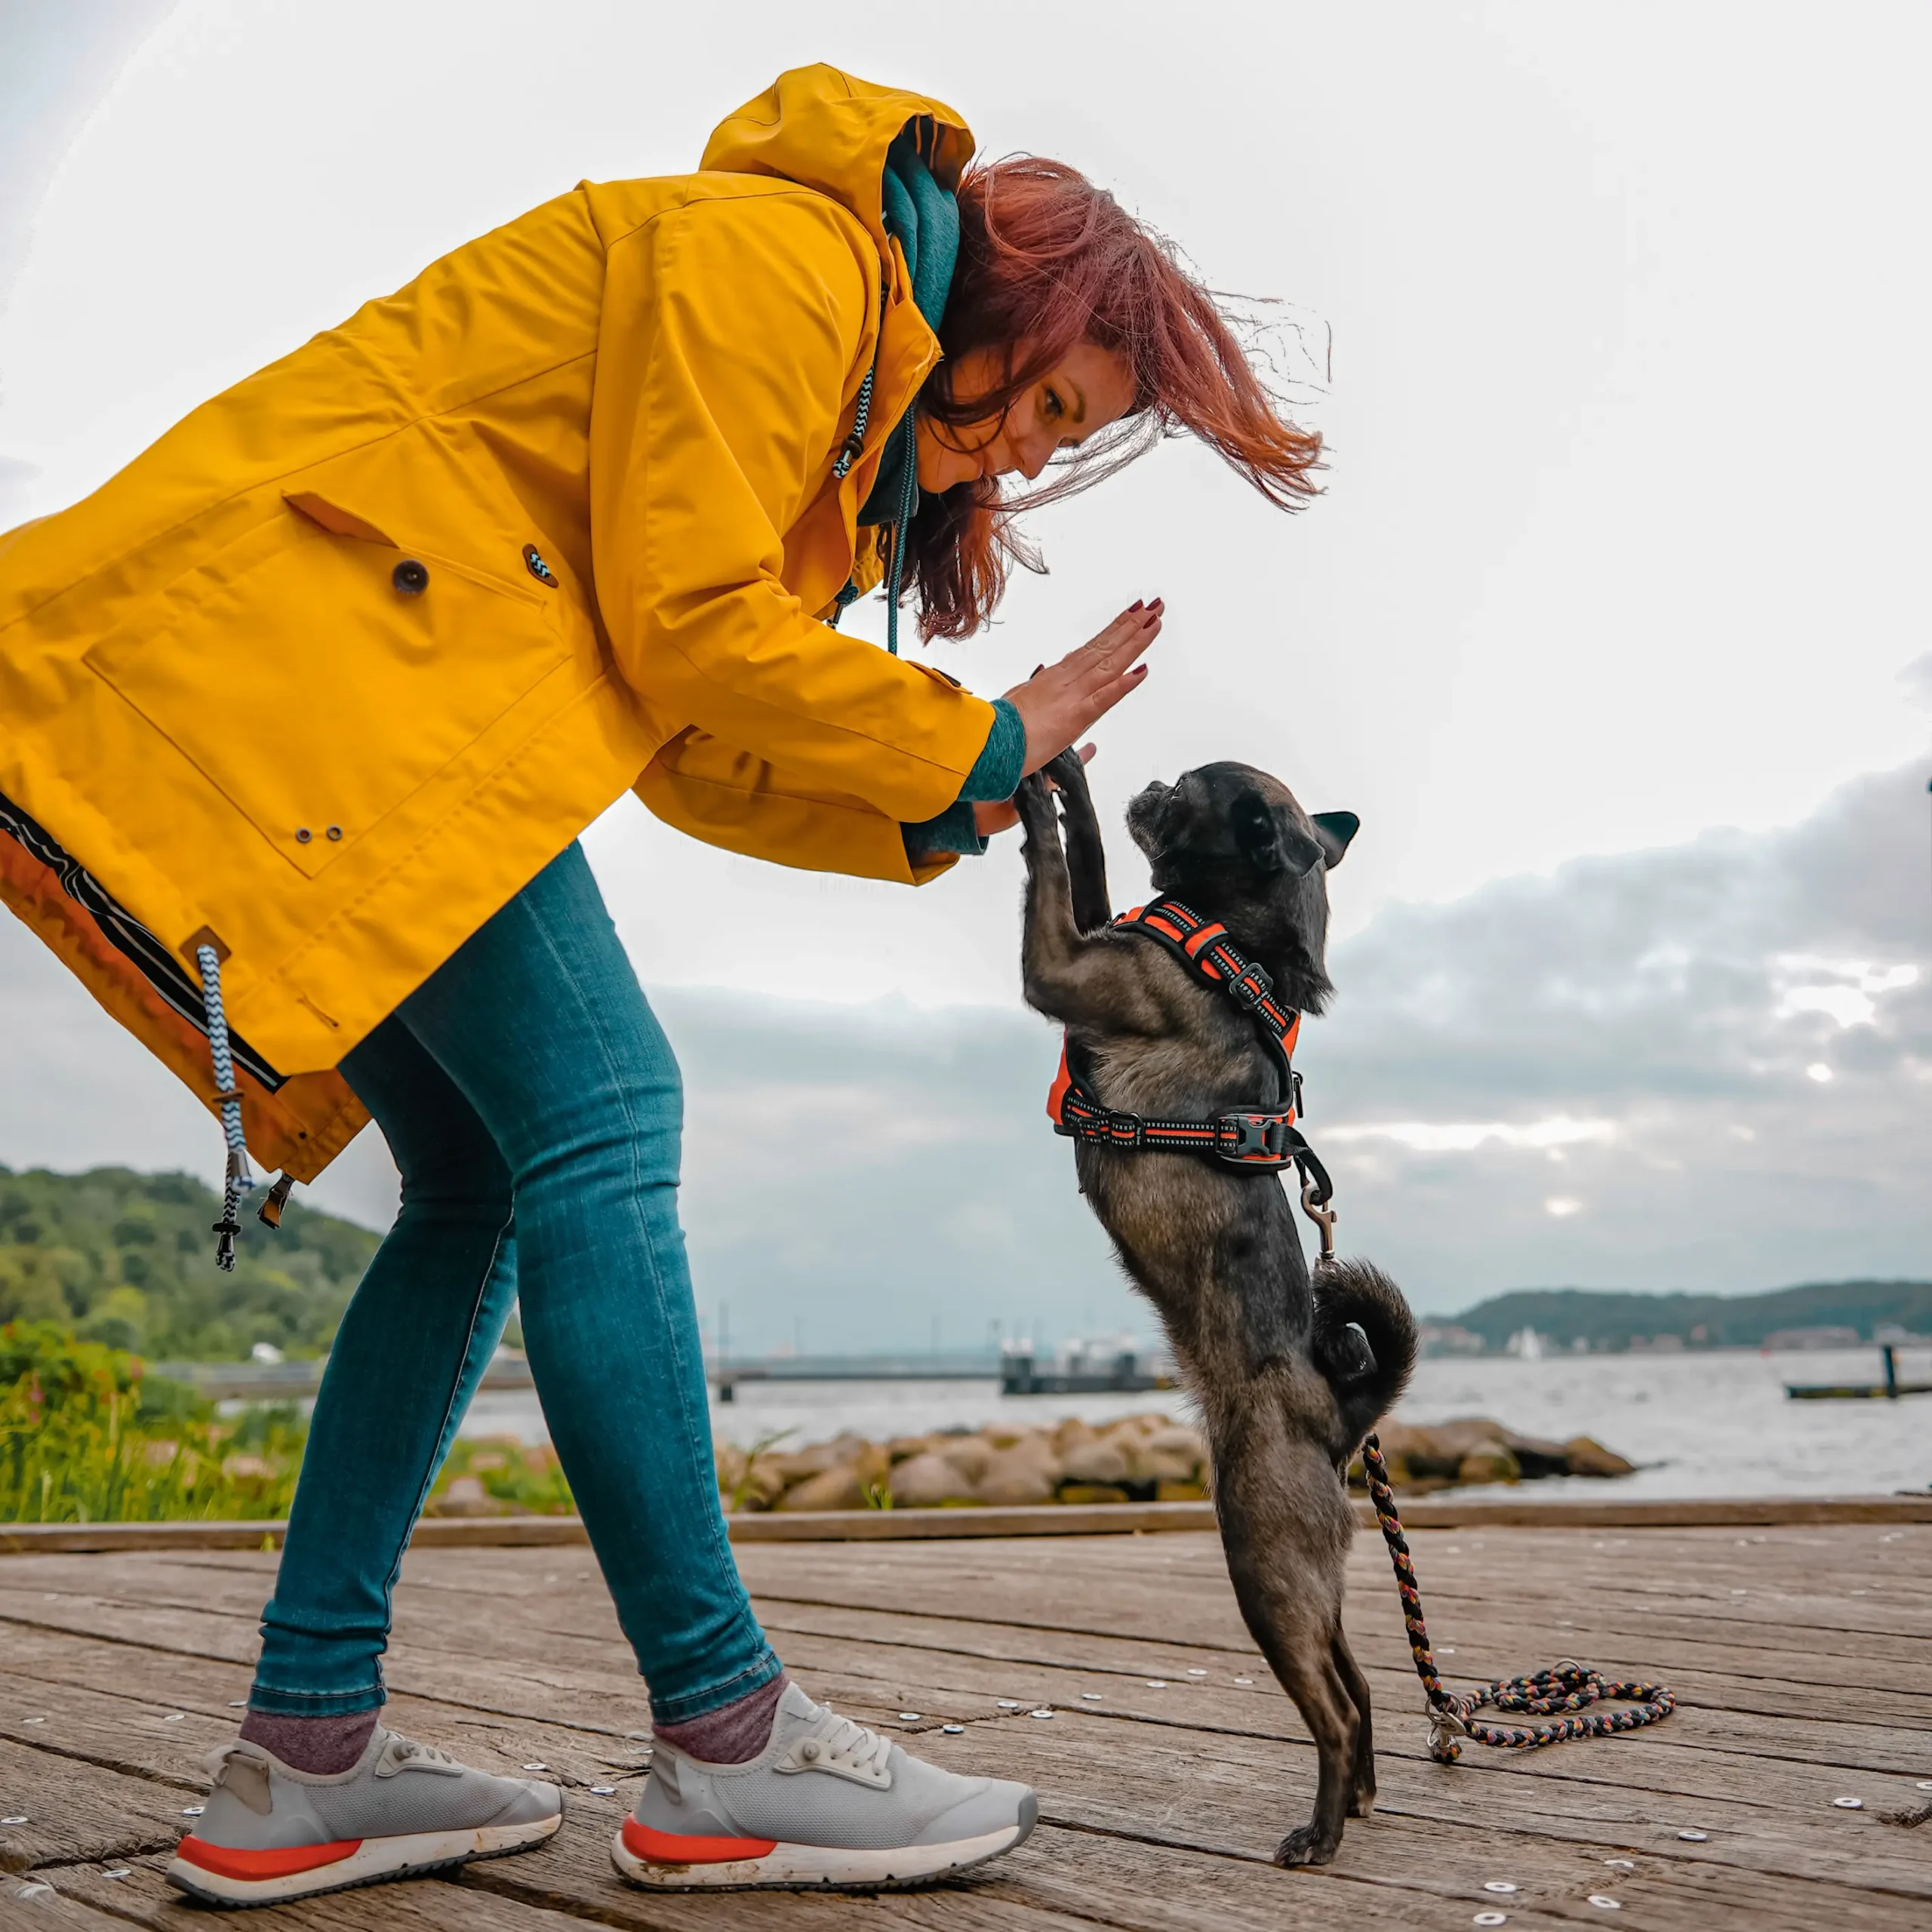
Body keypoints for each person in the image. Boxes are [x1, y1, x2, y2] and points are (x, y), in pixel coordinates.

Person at [0, 64, 1320, 1903]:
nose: (1022, 452)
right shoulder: (779, 259)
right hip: (347, 687)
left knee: (472, 1185)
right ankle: (724, 1739)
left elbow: (686, 735)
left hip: (358, 693)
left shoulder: (811, 389)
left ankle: (301, 1751)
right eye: (1049, 402)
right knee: (610, 1120)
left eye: (1062, 439)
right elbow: (687, 628)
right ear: (1004, 302)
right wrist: (987, 728)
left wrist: (953, 800)